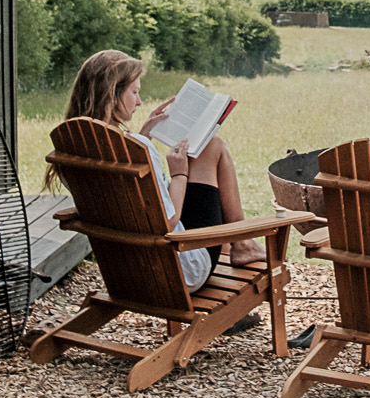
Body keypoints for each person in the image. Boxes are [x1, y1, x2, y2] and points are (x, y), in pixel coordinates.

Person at [51, 49, 264, 287]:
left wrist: (143, 138)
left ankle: (240, 243)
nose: (140, 101)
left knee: (205, 147)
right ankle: (243, 244)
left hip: (125, 270)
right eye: (135, 92)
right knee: (213, 145)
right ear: (112, 94)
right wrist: (179, 173)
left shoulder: (75, 145)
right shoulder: (135, 147)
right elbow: (169, 221)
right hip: (178, 270)